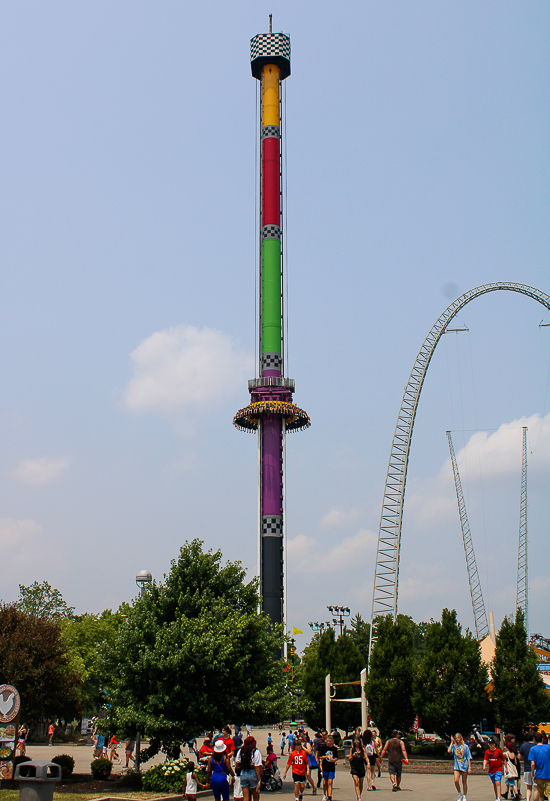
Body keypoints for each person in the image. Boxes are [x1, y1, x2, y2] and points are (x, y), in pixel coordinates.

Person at [235, 736, 263, 801]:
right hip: (253, 773)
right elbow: (257, 767)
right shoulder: (255, 751)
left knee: (246, 798)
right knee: (255, 797)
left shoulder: (241, 751)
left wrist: (244, 764)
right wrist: (259, 780)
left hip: (243, 772)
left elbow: (237, 763)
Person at [448, 733, 472, 801]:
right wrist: (452, 742)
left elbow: (468, 757)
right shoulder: (454, 746)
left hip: (464, 765)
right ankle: (459, 794)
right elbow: (449, 751)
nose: (457, 739)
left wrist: (469, 767)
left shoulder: (465, 746)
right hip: (457, 766)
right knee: (456, 781)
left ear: (461, 738)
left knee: (464, 781)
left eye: (458, 738)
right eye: (456, 738)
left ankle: (464, 795)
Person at [318, 733, 338, 801]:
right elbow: (321, 756)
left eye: (329, 741)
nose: (328, 742)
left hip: (331, 767)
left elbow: (336, 757)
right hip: (325, 767)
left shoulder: (334, 749)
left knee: (330, 782)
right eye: (327, 741)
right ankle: (325, 795)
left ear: (332, 741)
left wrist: (333, 760)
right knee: (325, 783)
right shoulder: (323, 748)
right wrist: (327, 756)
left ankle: (329, 796)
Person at [530, 732, 550, 801]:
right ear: (542, 739)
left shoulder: (533, 749)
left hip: (539, 774)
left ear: (534, 739)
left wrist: (533, 775)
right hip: (548, 774)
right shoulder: (548, 747)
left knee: (541, 795)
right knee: (549, 794)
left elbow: (533, 764)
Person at [519, 732, 538, 801]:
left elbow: (519, 757)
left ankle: (528, 800)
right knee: (536, 788)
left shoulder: (523, 746)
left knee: (528, 787)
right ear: (534, 738)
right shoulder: (536, 746)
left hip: (527, 768)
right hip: (536, 769)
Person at [349, 736, 367, 800]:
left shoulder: (363, 750)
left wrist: (368, 764)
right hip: (354, 767)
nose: (356, 743)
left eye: (358, 742)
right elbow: (349, 759)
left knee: (361, 783)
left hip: (361, 768)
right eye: (355, 742)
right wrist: (353, 756)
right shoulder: (352, 749)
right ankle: (359, 797)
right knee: (356, 782)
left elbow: (366, 757)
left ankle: (359, 794)